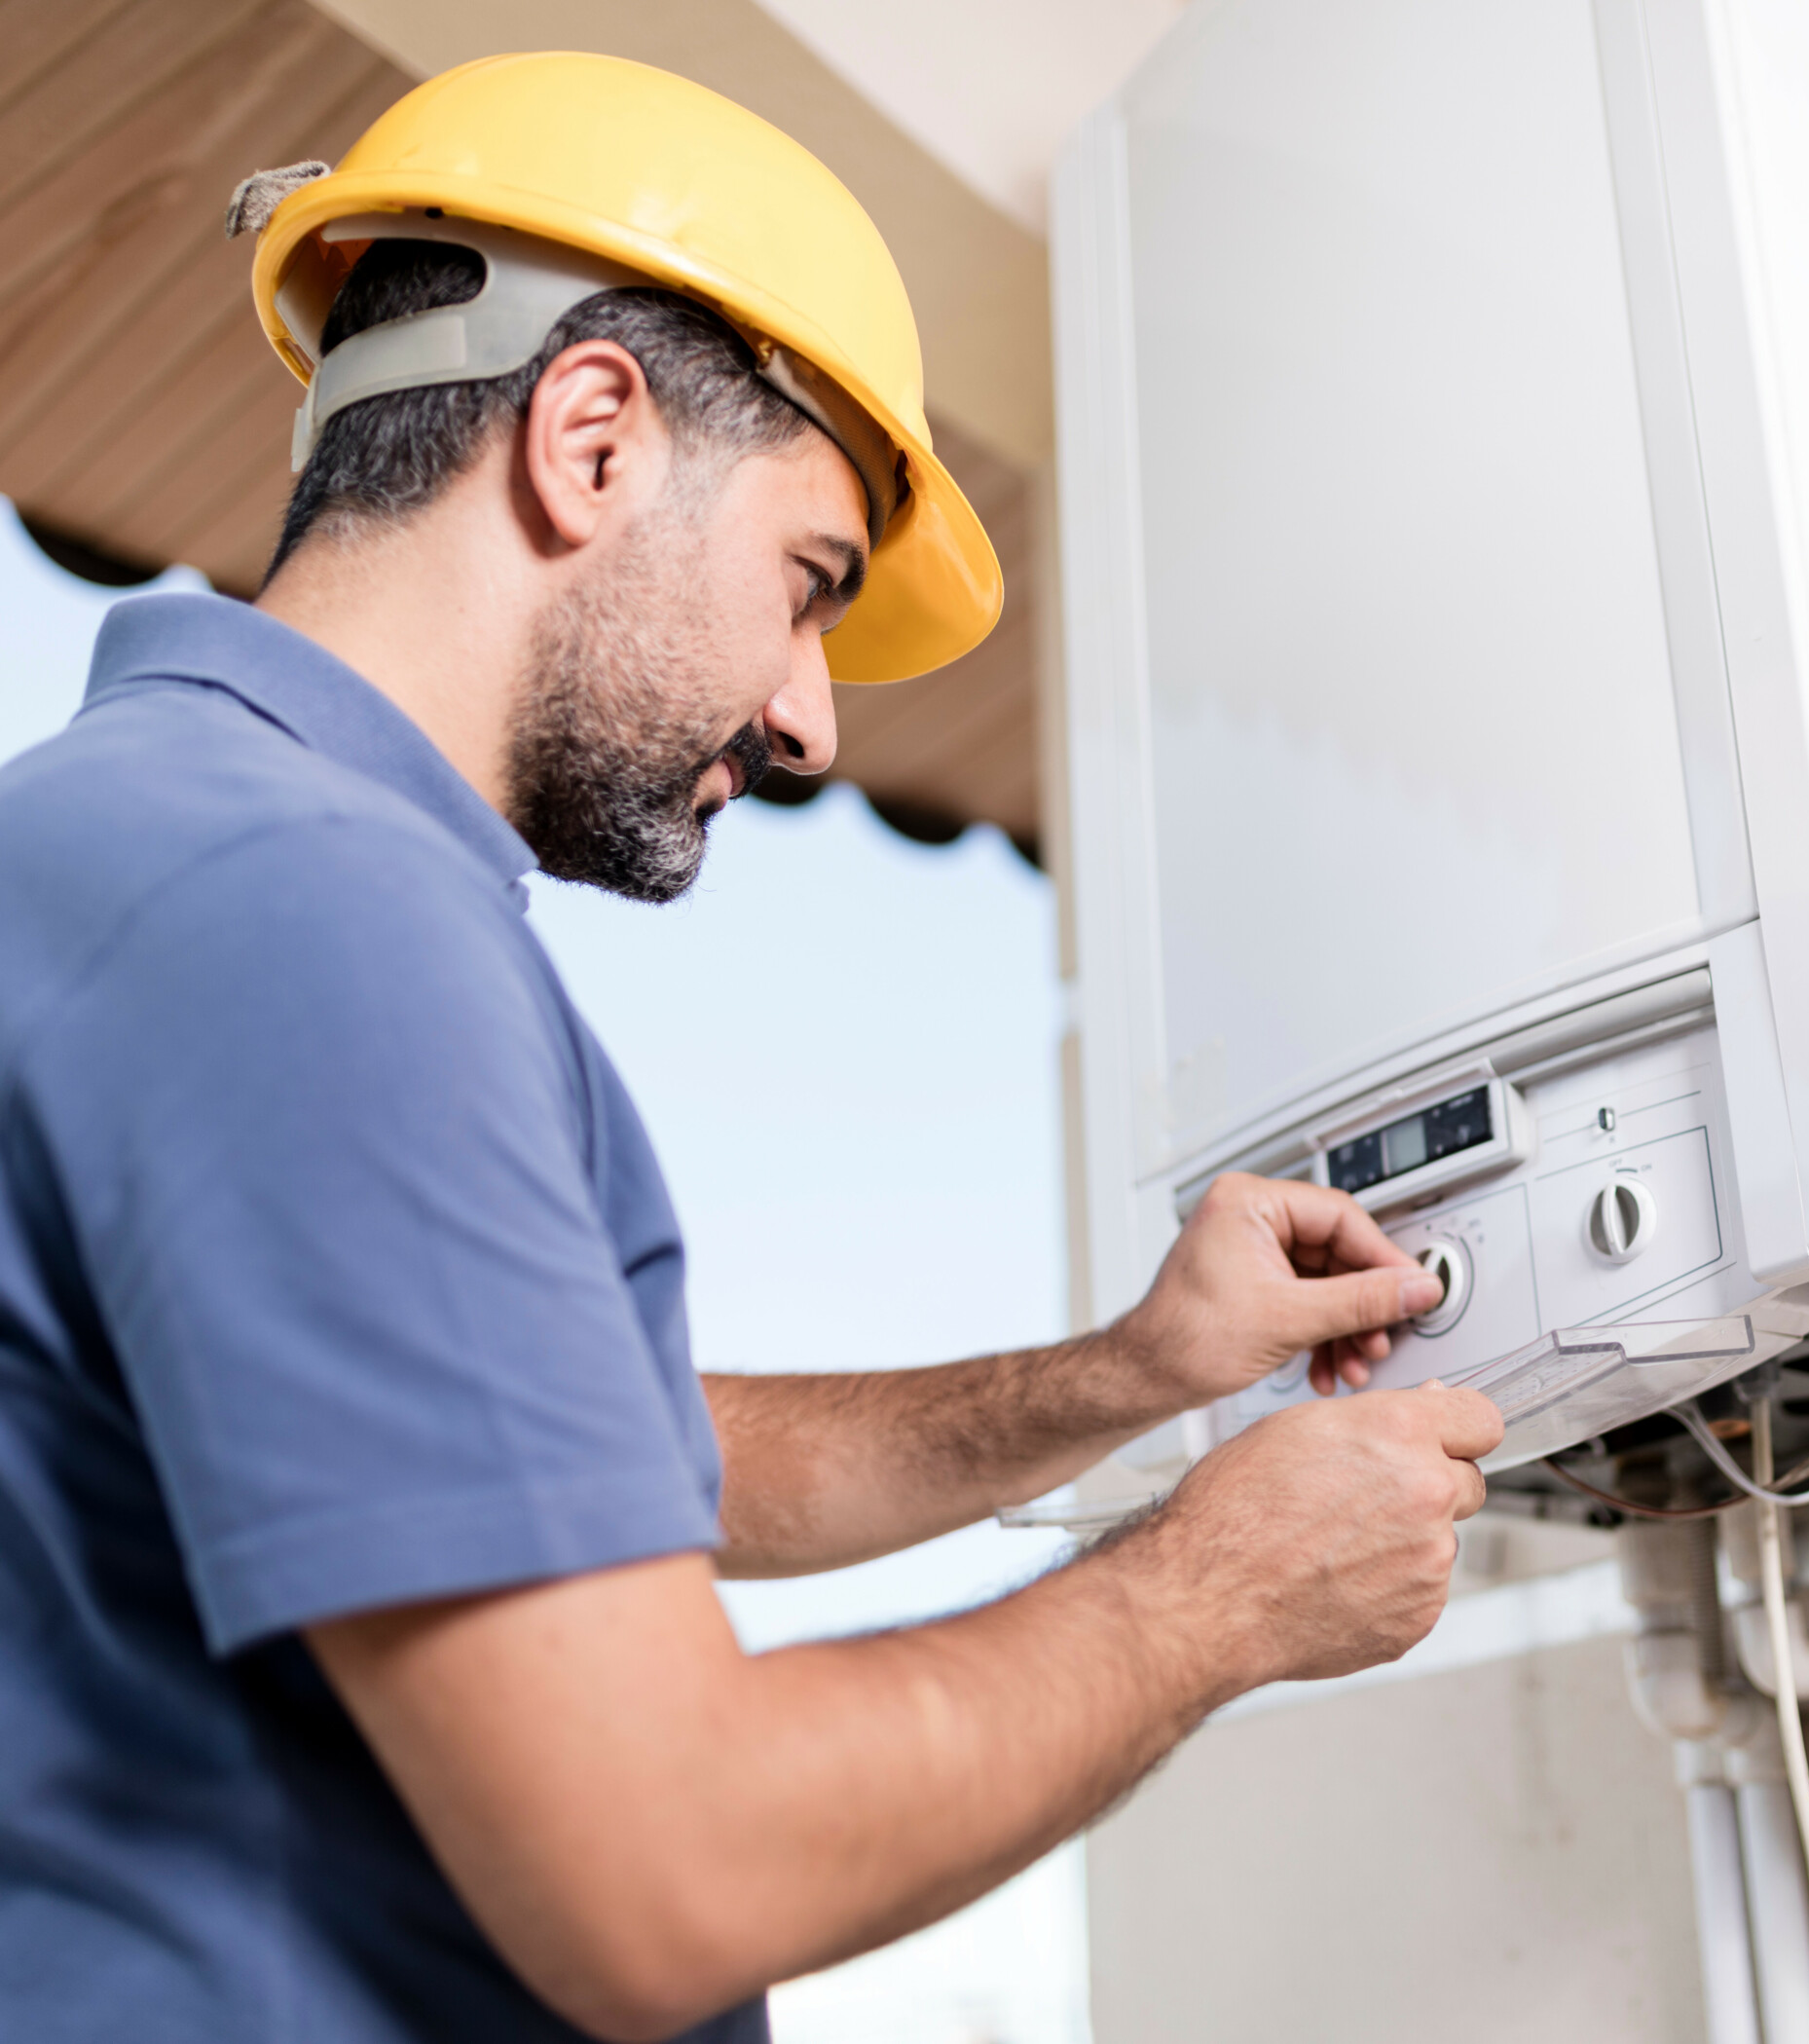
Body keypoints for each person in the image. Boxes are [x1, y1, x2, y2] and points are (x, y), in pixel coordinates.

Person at [0, 53, 1502, 2044]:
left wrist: (1131, 1376)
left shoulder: (158, 849)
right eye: (807, 586)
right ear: (593, 437)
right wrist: (1219, 1591)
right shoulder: (302, 915)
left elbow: (591, 1454)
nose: (812, 725)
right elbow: (669, 1869)